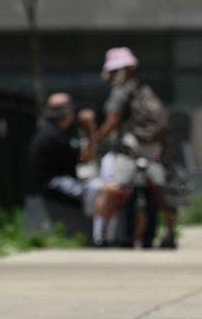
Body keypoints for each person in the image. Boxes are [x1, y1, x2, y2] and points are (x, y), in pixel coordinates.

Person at [92, 47, 178, 248]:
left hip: (129, 149)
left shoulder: (120, 93)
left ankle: (101, 237)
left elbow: (113, 121)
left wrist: (95, 139)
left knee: (112, 189)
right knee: (159, 194)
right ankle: (167, 235)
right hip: (153, 149)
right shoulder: (144, 90)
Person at [28, 93, 123, 247]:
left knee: (108, 189)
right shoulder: (52, 135)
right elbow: (87, 157)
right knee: (102, 191)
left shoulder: (58, 131)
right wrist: (91, 126)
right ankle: (99, 239)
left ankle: (105, 237)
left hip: (62, 178)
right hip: (52, 182)